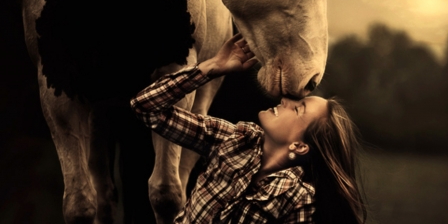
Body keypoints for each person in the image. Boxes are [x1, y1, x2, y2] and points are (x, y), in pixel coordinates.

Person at [130, 34, 367, 224]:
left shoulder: (299, 201)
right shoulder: (235, 138)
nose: (285, 101)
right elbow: (146, 107)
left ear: (299, 146)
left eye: (298, 109)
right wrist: (211, 67)